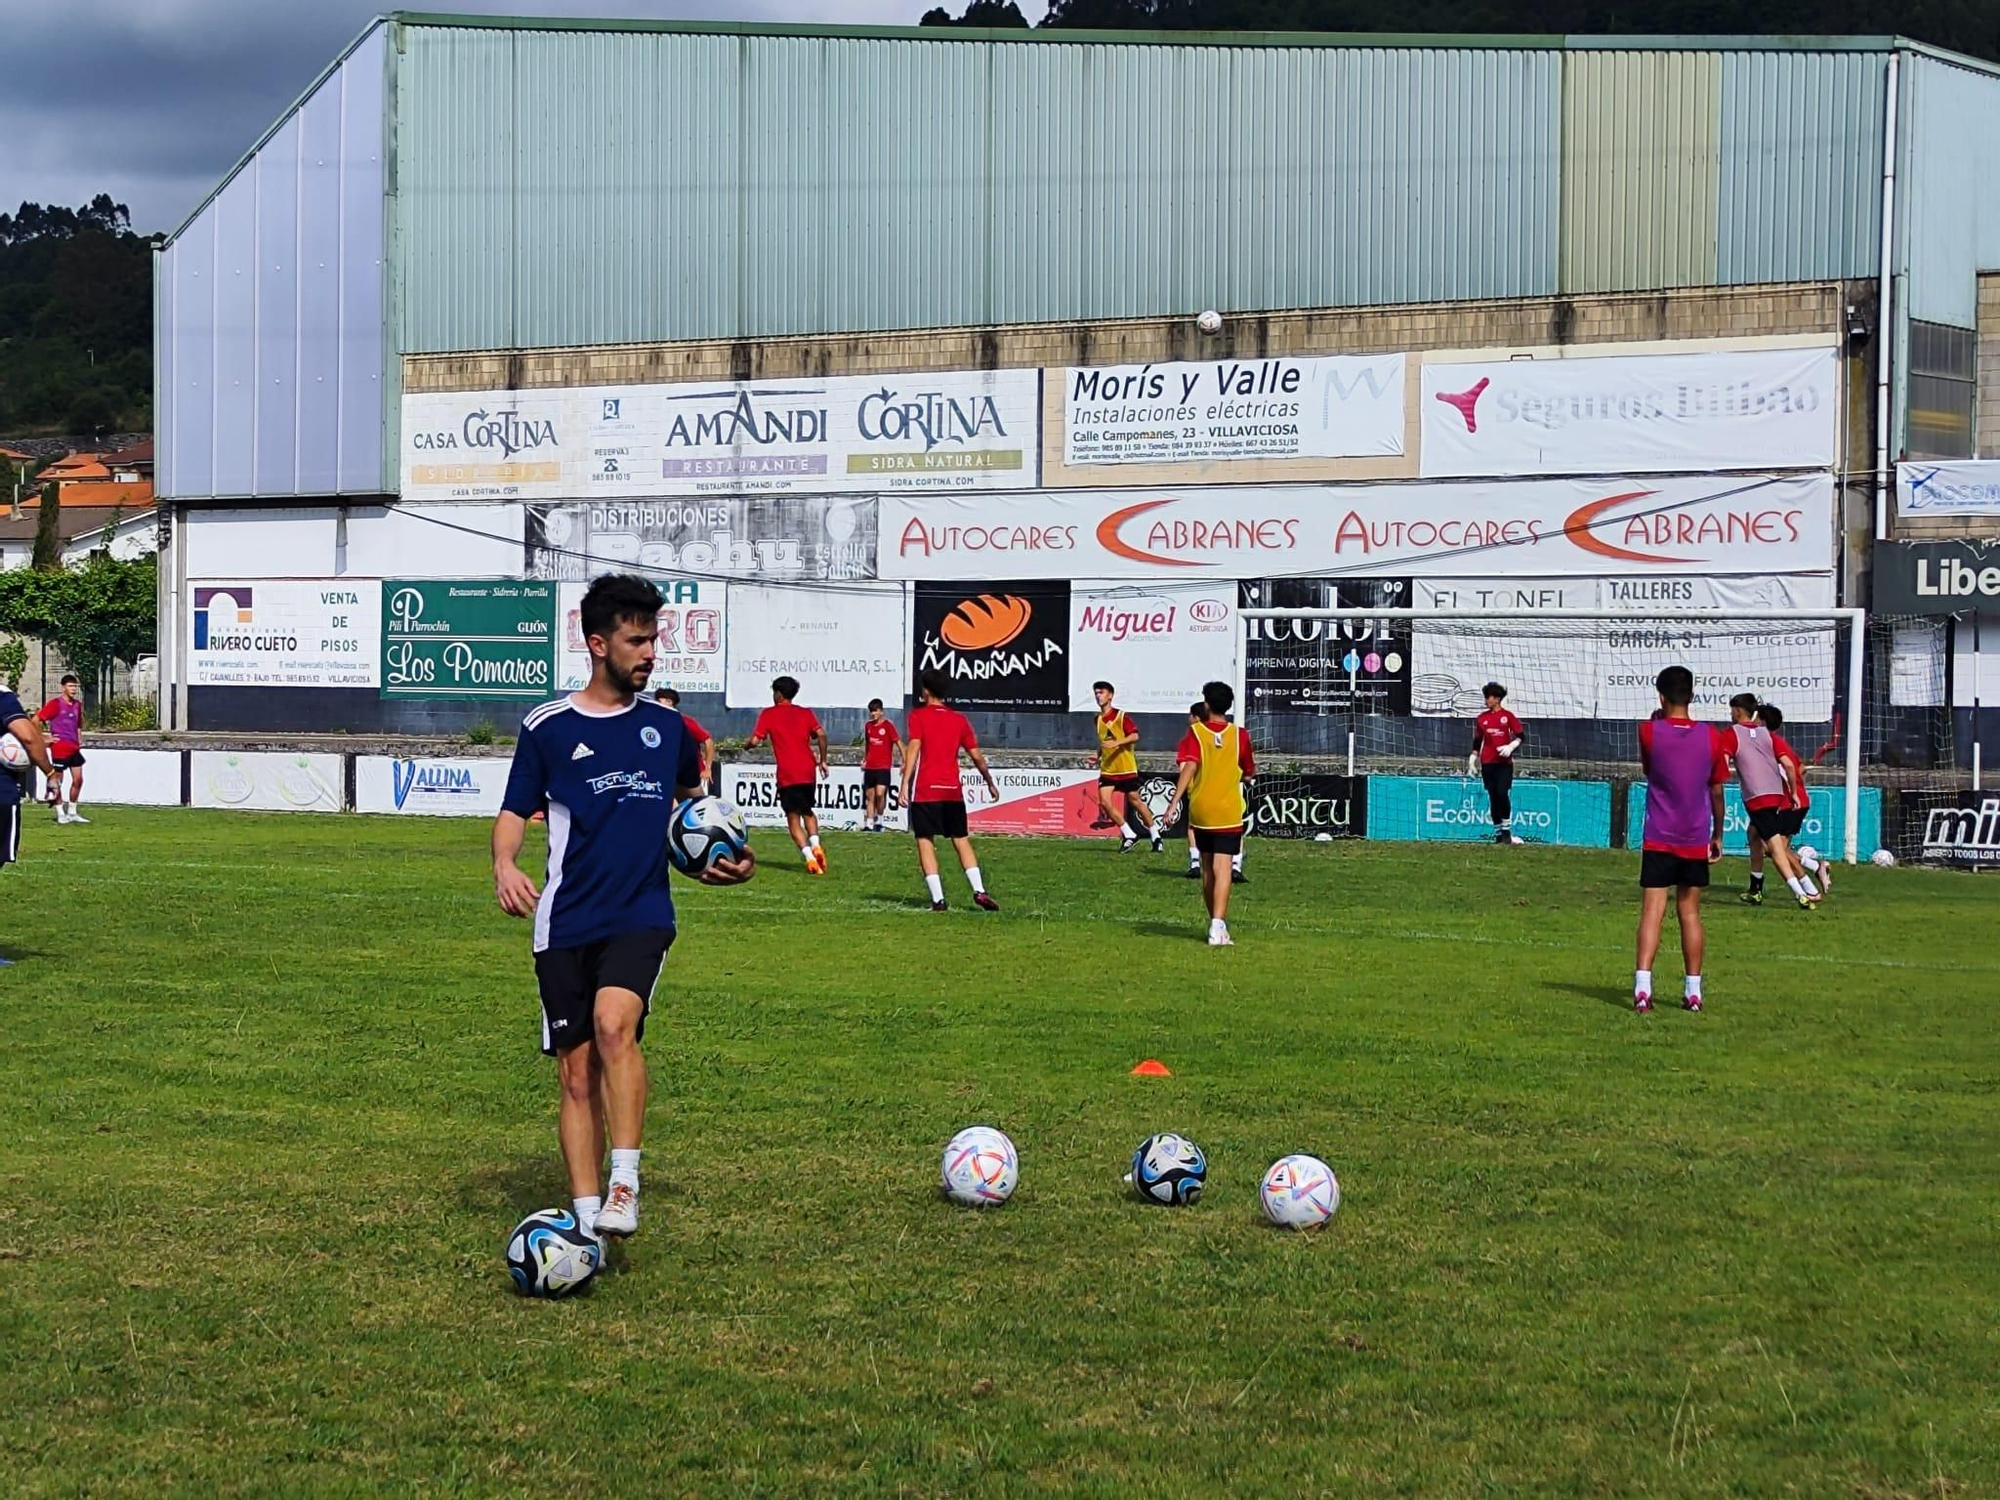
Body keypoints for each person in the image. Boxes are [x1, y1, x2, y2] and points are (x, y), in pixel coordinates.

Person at [492, 574, 754, 1240]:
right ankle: (585, 1226)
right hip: (565, 921)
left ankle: (624, 1185)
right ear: (598, 642)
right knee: (575, 1074)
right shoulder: (547, 728)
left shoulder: (667, 729)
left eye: (653, 639)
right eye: (637, 641)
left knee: (616, 1027)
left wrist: (726, 861)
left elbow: (693, 814)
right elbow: (514, 811)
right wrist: (504, 864)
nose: (650, 653)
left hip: (641, 913)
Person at [1634, 666, 1732, 1013]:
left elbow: (1650, 770)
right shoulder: (1712, 737)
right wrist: (1717, 834)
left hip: (1659, 835)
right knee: (1689, 912)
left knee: (1652, 911)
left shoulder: (1648, 732)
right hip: (1694, 837)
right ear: (1692, 696)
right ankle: (1694, 991)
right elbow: (1716, 789)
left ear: (1661, 696)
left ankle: (1643, 986)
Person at [900, 668, 1000, 913]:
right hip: (952, 791)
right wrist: (989, 781)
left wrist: (904, 783)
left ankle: (938, 899)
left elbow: (913, 749)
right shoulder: (959, 720)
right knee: (961, 841)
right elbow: (976, 756)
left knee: (925, 841)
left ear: (925, 690)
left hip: (927, 790)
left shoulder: (918, 716)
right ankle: (979, 890)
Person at [1165, 681, 1255, 948]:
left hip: (1202, 809)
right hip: (1228, 810)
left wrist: (1173, 804)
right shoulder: (1240, 736)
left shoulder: (1196, 733)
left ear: (1206, 704)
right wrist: (1246, 775)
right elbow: (1249, 769)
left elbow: (1189, 768)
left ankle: (1215, 923)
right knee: (1223, 866)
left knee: (1207, 867)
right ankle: (1218, 924)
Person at [1727, 693, 1816, 910]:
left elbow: (1723, 761)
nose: (1730, 713)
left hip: (1758, 797)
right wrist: (1793, 792)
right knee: (1754, 835)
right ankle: (1755, 889)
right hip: (1777, 796)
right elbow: (1789, 764)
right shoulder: (1769, 736)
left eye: (1731, 710)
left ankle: (1803, 891)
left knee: (1775, 848)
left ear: (1739, 710)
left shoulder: (1732, 734)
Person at [748, 675, 830, 874]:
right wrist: (823, 759)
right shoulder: (805, 713)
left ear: (778, 694)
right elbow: (821, 734)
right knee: (808, 810)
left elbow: (756, 740)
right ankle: (816, 844)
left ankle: (810, 858)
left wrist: (747, 745)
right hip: (808, 769)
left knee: (793, 818)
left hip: (788, 772)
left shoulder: (769, 714)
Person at [1757, 704, 1832, 896]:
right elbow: (1801, 768)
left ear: (1762, 722)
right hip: (1790, 802)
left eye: (1755, 717)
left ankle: (1810, 890)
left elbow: (1792, 768)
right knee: (1772, 847)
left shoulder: (1769, 743)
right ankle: (1815, 866)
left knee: (1776, 850)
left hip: (1790, 804)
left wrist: (1792, 792)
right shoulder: (1777, 742)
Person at [1088, 681, 1163, 853]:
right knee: (1105, 802)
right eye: (1096, 693)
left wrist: (1117, 742)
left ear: (1111, 696)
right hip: (1108, 769)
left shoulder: (1121, 717)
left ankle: (1155, 835)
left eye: (1102, 692)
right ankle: (1129, 834)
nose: (1099, 696)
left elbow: (1135, 735)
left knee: (1135, 800)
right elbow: (1104, 741)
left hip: (1125, 768)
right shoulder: (1097, 720)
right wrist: (1097, 754)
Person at [1181, 700, 1245, 884]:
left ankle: (1195, 862)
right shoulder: (1236, 734)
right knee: (1234, 831)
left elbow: (1185, 766)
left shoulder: (1193, 737)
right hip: (1228, 797)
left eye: (1190, 715)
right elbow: (1246, 767)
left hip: (1202, 797)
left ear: (1197, 717)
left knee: (1198, 835)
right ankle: (1235, 866)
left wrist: (1177, 798)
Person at [1467, 681, 1525, 845]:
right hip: (1488, 763)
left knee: (1502, 793)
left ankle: (1507, 831)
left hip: (1504, 763)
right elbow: (1478, 740)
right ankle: (1499, 834)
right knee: (1493, 797)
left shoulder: (1508, 716)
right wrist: (1473, 759)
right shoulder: (1482, 718)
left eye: (1489, 697)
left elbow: (1521, 735)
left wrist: (1511, 746)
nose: (1486, 701)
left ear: (1497, 699)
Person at [36, 674, 88, 824]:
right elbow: (37, 719)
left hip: (74, 748)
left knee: (78, 779)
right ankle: (60, 812)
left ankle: (72, 811)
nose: (73, 689)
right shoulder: (55, 704)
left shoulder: (77, 705)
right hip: (59, 749)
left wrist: (79, 738)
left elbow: (78, 724)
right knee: (57, 781)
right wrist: (44, 738)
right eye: (71, 686)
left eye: (75, 686)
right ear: (63, 687)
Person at [652, 687, 713, 792]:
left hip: (693, 775)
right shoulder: (653, 725)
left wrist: (708, 768)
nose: (662, 704)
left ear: (673, 704)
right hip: (668, 774)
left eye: (667, 701)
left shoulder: (685, 722)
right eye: (659, 701)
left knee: (697, 805)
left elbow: (708, 742)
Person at [861, 698, 902, 832]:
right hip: (870, 767)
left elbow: (899, 744)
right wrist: (865, 759)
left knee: (880, 794)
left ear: (881, 711)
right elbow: (868, 745)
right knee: (870, 796)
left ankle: (880, 820)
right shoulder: (868, 726)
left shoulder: (888, 726)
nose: (874, 714)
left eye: (876, 711)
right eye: (871, 712)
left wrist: (905, 761)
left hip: (883, 767)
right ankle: (869, 823)